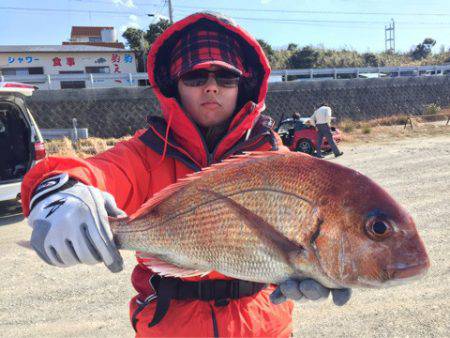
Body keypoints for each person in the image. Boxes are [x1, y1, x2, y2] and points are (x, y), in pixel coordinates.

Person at [22, 12, 351, 337]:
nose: (211, 88)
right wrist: (61, 190)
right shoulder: (147, 152)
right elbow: (97, 170)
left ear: (243, 84)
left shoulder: (275, 160)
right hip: (168, 327)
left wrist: (316, 264)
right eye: (195, 77)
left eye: (225, 77)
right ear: (174, 86)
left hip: (264, 326)